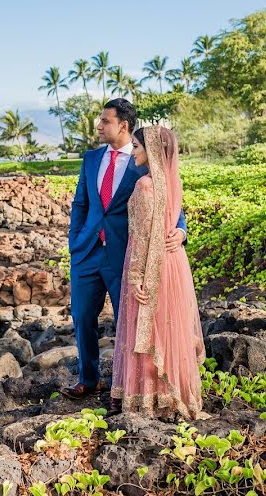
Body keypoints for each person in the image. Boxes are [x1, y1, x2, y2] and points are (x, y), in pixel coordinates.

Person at [60, 100, 188, 400]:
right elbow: (81, 203)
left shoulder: (143, 159)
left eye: (105, 121)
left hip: (125, 256)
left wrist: (180, 230)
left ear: (123, 126)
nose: (99, 125)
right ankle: (88, 380)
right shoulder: (91, 158)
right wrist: (74, 240)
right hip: (86, 252)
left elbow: (167, 194)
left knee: (128, 322)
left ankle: (129, 387)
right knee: (81, 316)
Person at [109, 125, 206, 420]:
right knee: (167, 325)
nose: (133, 151)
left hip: (152, 262)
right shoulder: (170, 182)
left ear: (151, 150)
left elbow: (140, 236)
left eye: (137, 146)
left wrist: (136, 277)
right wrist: (178, 232)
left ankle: (147, 398)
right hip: (174, 264)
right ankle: (172, 392)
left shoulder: (145, 186)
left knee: (147, 326)